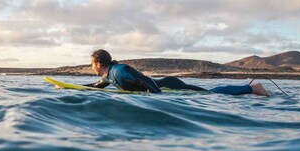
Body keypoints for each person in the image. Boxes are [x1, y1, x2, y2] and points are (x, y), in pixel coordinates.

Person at [86, 49, 270, 96]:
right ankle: (250, 88)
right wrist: (67, 88)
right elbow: (98, 86)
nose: (91, 67)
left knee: (210, 93)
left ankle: (252, 88)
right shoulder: (107, 75)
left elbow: (144, 80)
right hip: (165, 88)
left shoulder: (119, 70)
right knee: (209, 93)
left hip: (169, 85)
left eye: (91, 64)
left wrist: (157, 96)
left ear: (99, 63)